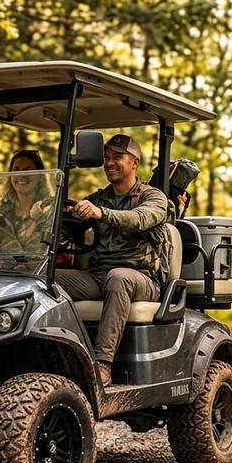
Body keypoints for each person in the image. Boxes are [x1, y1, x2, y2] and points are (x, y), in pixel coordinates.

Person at [56, 134, 171, 386]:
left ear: (134, 163)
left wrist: (101, 213)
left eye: (117, 157)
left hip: (141, 278)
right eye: (106, 158)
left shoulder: (153, 197)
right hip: (98, 277)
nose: (109, 163)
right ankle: (52, 356)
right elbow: (67, 218)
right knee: (45, 279)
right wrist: (48, 212)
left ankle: (102, 364)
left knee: (119, 278)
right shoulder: (98, 198)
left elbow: (138, 219)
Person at [0, 149, 51, 269]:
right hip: (3, 277)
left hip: (39, 276)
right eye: (16, 170)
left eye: (27, 170)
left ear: (40, 176)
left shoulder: (51, 210)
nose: (21, 175)